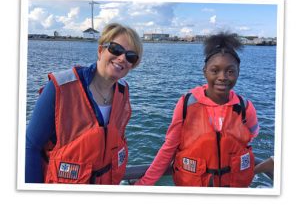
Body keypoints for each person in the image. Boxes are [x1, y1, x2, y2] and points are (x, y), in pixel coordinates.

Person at [135, 32, 259, 187]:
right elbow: (169, 148)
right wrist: (145, 183)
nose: (222, 77)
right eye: (215, 70)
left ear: (238, 73)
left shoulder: (245, 108)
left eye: (230, 71)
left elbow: (250, 138)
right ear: (205, 71)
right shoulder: (186, 104)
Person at [26, 23, 143, 184]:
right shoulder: (59, 88)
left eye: (131, 56)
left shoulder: (123, 92)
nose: (122, 58)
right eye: (115, 49)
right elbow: (31, 146)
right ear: (101, 50)